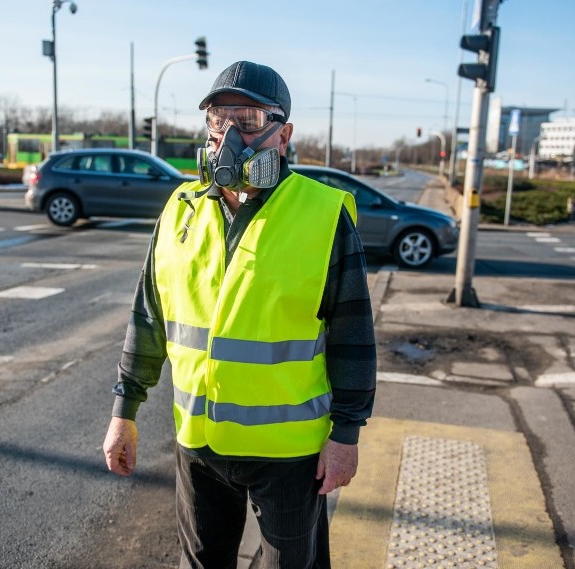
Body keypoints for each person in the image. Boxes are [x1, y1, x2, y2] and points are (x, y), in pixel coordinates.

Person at [102, 60, 376, 568]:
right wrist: (125, 411)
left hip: (289, 454)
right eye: (218, 120)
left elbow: (353, 336)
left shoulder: (323, 215)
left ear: (283, 133)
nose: (229, 136)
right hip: (198, 444)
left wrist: (346, 435)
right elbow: (148, 317)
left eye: (247, 120)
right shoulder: (180, 208)